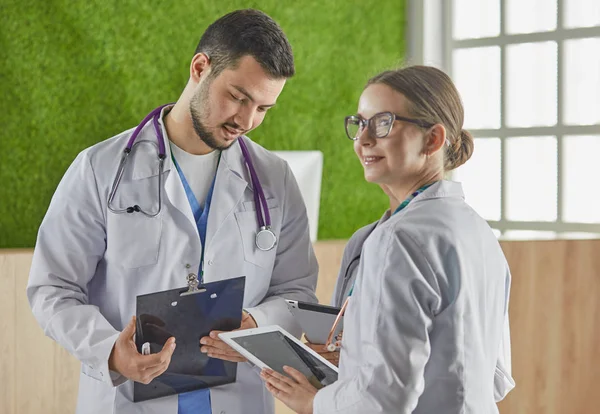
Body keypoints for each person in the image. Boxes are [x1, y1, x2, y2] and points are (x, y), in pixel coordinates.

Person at [27, 9, 318, 414]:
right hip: (128, 399)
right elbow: (52, 288)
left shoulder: (275, 179)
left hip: (237, 400)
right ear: (201, 67)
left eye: (264, 108)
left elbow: (297, 293)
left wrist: (255, 322)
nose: (248, 121)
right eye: (238, 97)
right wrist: (110, 350)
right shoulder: (100, 168)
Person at [261, 65, 515, 413]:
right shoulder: (476, 229)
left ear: (433, 139)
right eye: (360, 123)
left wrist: (313, 403)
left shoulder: (399, 238)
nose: (364, 139)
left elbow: (381, 400)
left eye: (383, 123)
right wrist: (352, 356)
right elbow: (497, 377)